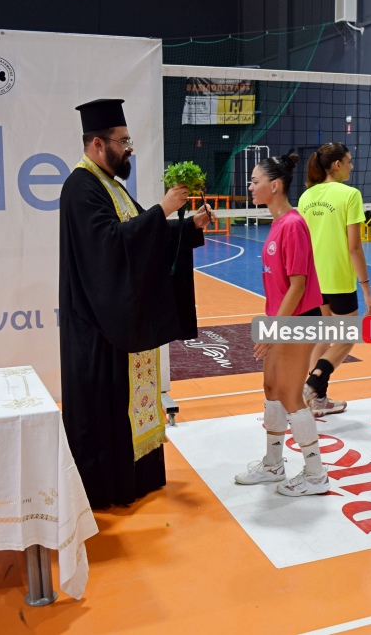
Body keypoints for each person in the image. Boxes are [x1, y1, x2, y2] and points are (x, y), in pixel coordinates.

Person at [59, 98, 215, 510]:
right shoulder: (81, 187)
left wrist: (189, 227)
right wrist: (163, 208)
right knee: (105, 408)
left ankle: (137, 478)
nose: (128, 149)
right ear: (97, 143)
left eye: (129, 141)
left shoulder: (110, 185)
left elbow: (143, 235)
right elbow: (109, 246)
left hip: (116, 322)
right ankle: (107, 486)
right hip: (97, 326)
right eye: (122, 141)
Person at [234, 152, 330, 496]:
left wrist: (274, 328)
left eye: (255, 181)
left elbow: (298, 285)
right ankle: (274, 465)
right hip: (280, 319)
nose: (250, 186)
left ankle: (316, 474)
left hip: (297, 321)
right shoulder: (277, 223)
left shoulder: (292, 224)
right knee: (272, 389)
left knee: (290, 396)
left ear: (274, 186)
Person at [297, 142, 371, 417]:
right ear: (337, 164)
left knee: (325, 337)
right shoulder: (350, 195)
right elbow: (354, 248)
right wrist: (366, 290)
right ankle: (313, 383)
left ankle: (318, 400)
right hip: (338, 278)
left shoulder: (306, 197)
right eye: (349, 161)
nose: (352, 166)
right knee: (346, 339)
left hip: (313, 281)